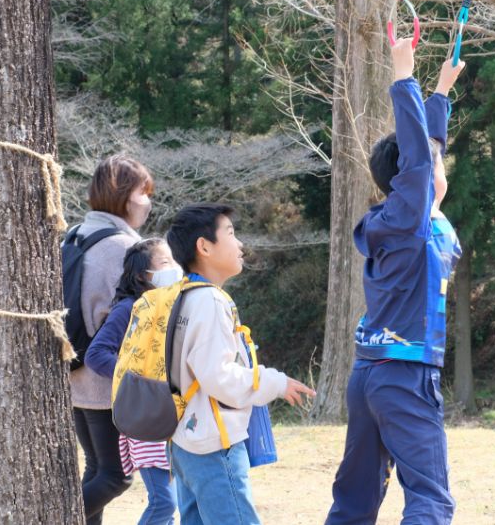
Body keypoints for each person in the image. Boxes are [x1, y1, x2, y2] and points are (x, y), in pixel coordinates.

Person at [326, 39, 465, 525]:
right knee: (430, 500)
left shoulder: (409, 221)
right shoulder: (409, 223)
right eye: (429, 165)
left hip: (370, 375)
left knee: (355, 501)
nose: (437, 166)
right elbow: (422, 164)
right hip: (404, 377)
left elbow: (424, 156)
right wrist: (404, 78)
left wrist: (441, 93)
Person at [165, 202, 315, 525]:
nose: (240, 244)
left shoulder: (183, 296)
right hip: (213, 445)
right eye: (230, 234)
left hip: (184, 440)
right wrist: (275, 382)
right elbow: (220, 378)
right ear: (204, 246)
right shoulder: (210, 302)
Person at [72, 155, 154, 525]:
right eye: (142, 192)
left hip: (73, 373)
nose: (148, 201)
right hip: (105, 378)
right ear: (123, 196)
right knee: (116, 475)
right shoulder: (122, 247)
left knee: (96, 469)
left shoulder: (76, 234)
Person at [85, 238, 181, 525]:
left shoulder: (173, 304)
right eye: (165, 263)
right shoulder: (128, 308)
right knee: (164, 503)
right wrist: (138, 375)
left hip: (172, 413)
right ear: (142, 275)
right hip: (145, 415)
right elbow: (96, 354)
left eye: (174, 261)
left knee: (174, 503)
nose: (174, 268)